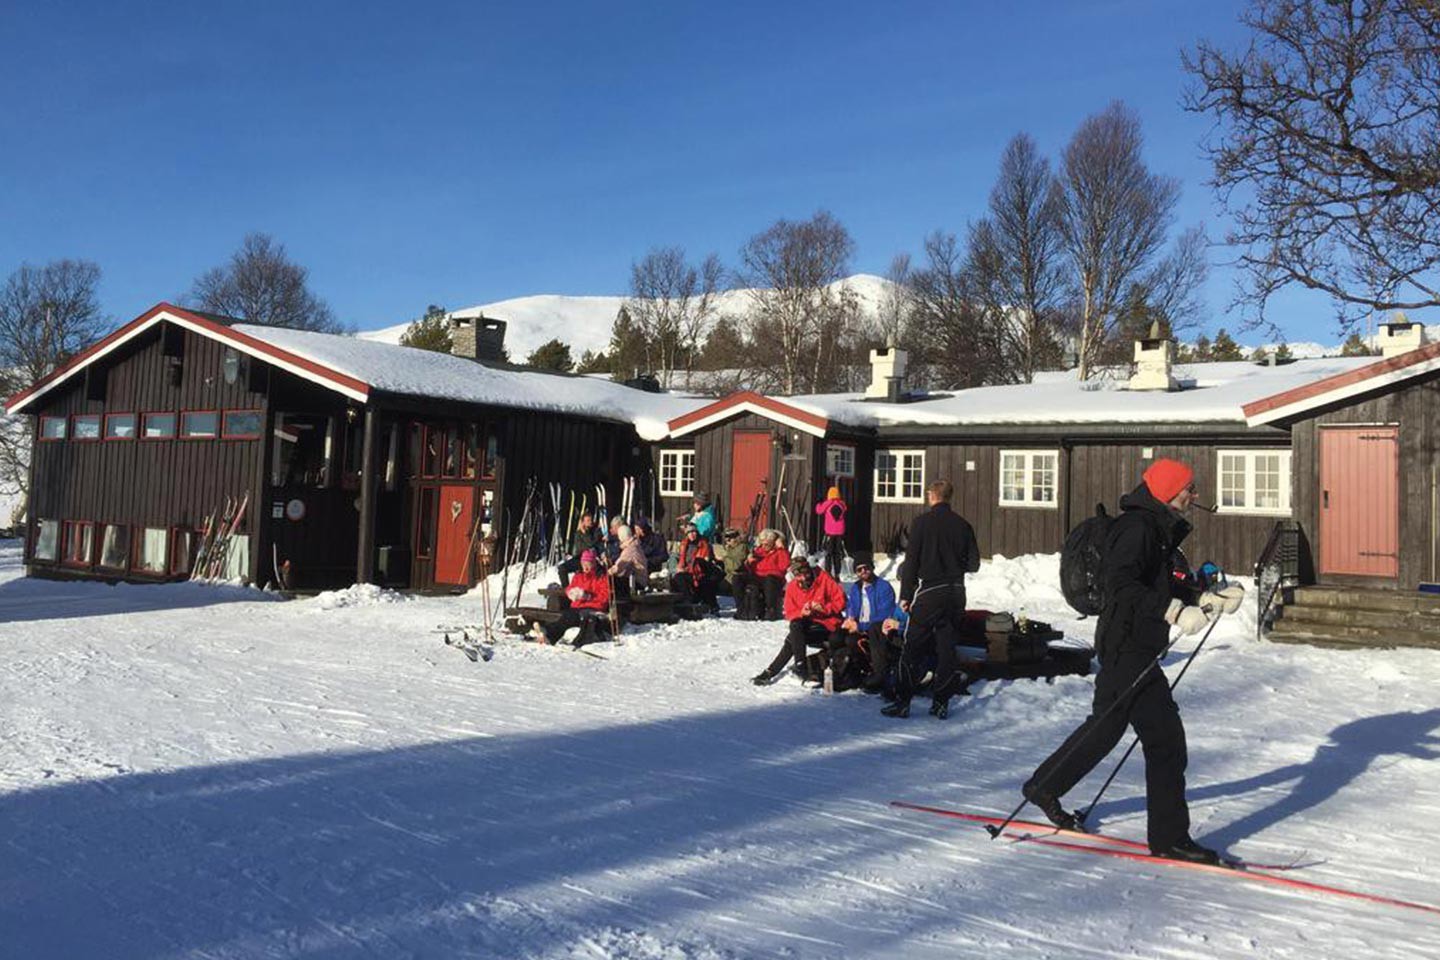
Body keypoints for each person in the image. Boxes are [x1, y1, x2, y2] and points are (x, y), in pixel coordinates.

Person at [1020, 458, 1242, 865]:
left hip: (1133, 645)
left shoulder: (1157, 529)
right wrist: (1172, 612)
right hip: (1126, 646)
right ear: (1168, 492)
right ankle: (1170, 837)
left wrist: (1205, 597)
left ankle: (1045, 786)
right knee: (1166, 742)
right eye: (1189, 489)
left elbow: (1159, 582)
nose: (1194, 496)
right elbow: (1119, 585)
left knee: (1106, 728)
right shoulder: (1138, 528)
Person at [883, 479, 981, 721]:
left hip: (931, 592)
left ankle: (903, 701)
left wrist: (906, 595)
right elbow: (974, 564)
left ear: (932, 496)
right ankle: (940, 703)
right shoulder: (963, 525)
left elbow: (912, 563)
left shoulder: (921, 523)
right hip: (956, 592)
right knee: (947, 649)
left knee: (912, 646)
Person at [752, 556, 845, 685]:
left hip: (827, 625)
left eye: (805, 573)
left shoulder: (824, 578)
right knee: (795, 627)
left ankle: (773, 671)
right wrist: (801, 612)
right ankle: (799, 664)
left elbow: (841, 601)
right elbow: (790, 613)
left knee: (793, 639)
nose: (804, 578)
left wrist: (825, 608)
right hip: (807, 625)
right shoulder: (792, 587)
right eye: (799, 576)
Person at [835, 554, 907, 694]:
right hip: (859, 625)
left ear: (872, 568)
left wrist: (860, 626)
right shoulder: (856, 588)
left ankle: (877, 672)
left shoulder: (883, 587)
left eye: (866, 568)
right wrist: (850, 618)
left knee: (854, 639)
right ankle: (843, 673)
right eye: (859, 570)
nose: (863, 572)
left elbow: (884, 614)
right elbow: (851, 605)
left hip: (875, 628)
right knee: (836, 637)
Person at [531, 550, 612, 646]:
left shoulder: (602, 577)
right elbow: (570, 587)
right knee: (565, 615)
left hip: (593, 608)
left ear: (594, 563)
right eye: (583, 563)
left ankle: (548, 633)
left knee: (570, 616)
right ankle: (547, 634)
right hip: (577, 607)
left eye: (588, 564)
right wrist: (570, 592)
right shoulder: (579, 575)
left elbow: (605, 598)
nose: (585, 567)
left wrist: (588, 597)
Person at [733, 529, 789, 621]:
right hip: (757, 576)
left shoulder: (780, 552)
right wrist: (748, 562)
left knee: (769, 580)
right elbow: (750, 568)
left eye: (767, 544)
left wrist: (781, 548)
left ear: (773, 543)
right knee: (737, 578)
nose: (764, 546)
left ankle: (770, 610)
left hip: (773, 578)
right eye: (762, 543)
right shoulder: (758, 551)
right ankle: (741, 608)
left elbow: (784, 566)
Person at [671, 522, 721, 613]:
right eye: (690, 533)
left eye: (694, 532)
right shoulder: (684, 545)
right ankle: (680, 601)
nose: (692, 534)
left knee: (681, 578)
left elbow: (703, 562)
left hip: (699, 571)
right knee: (675, 578)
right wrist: (680, 568)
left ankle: (688, 602)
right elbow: (682, 560)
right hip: (688, 570)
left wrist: (686, 569)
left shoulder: (704, 544)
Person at [814, 485, 848, 575]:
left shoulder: (827, 503)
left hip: (830, 532)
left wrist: (819, 503)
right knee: (837, 553)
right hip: (840, 532)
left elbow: (819, 511)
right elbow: (845, 508)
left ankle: (828, 571)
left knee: (828, 553)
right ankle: (837, 572)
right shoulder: (842, 504)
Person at [560, 511, 604, 577]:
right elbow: (579, 548)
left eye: (591, 520)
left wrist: (585, 534)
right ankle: (567, 587)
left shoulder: (596, 531)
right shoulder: (578, 533)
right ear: (583, 522)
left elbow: (591, 544)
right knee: (562, 568)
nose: (590, 522)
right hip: (580, 558)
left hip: (593, 559)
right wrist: (584, 535)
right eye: (588, 520)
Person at [608, 524, 648, 596]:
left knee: (611, 581)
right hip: (639, 579)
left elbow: (619, 567)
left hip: (637, 582)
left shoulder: (630, 549)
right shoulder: (635, 545)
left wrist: (607, 573)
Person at [712, 527, 749, 598]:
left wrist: (724, 558)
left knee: (720, 588)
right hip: (728, 575)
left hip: (737, 576)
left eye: (729, 539)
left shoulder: (742, 548)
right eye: (726, 539)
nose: (727, 541)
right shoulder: (729, 548)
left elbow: (736, 566)